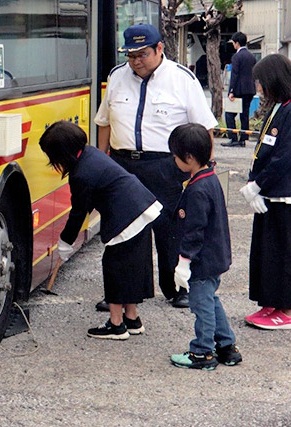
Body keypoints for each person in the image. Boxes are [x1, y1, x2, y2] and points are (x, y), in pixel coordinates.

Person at [94, 24, 218, 310]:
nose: (136, 61)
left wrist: (201, 169)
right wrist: (103, 160)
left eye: (143, 54)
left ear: (160, 49)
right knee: (123, 232)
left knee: (170, 230)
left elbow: (204, 128)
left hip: (166, 165)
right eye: (131, 55)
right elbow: (104, 121)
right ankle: (122, 292)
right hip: (123, 165)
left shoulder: (181, 79)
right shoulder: (116, 76)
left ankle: (175, 288)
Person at [40, 120, 162, 340]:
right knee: (132, 266)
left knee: (115, 266)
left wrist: (65, 244)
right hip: (141, 207)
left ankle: (116, 324)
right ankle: (132, 318)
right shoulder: (90, 154)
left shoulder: (81, 174)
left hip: (124, 216)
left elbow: (79, 212)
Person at [240, 53, 291, 330]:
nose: (259, 87)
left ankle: (287, 310)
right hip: (269, 193)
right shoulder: (279, 106)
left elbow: (285, 157)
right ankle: (270, 302)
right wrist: (254, 181)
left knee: (284, 252)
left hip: (286, 195)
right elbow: (266, 149)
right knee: (266, 252)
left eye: (262, 82)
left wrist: (258, 185)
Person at [168, 123, 241, 370]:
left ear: (188, 158)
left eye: (176, 156)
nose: (174, 160)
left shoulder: (197, 189)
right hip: (216, 255)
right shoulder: (210, 178)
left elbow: (194, 231)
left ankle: (202, 352)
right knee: (211, 300)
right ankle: (227, 346)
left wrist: (184, 262)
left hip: (201, 259)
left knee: (201, 306)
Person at [224, 32, 256, 147]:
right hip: (250, 89)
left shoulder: (237, 57)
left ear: (237, 43)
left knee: (229, 114)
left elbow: (235, 75)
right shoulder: (251, 56)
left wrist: (231, 91)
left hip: (239, 90)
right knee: (244, 115)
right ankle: (243, 139)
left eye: (233, 43)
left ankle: (233, 138)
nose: (233, 45)